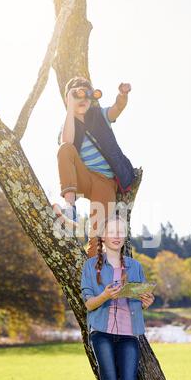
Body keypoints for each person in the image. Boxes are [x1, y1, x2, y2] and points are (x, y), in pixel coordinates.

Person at [80, 213, 155, 380]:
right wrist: (105, 295)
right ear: (103, 236)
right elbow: (88, 303)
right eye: (112, 232)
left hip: (128, 334)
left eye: (120, 232)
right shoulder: (90, 267)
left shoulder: (135, 266)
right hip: (101, 333)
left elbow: (141, 298)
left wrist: (146, 300)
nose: (116, 236)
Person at [53, 76, 132, 258]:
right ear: (68, 99)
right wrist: (71, 109)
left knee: (98, 239)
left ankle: (94, 278)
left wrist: (122, 94)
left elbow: (117, 108)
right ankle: (69, 208)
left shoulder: (99, 116)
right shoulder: (67, 125)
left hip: (104, 182)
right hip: (83, 178)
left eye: (86, 96)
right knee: (65, 149)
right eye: (77, 95)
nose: (83, 100)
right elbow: (67, 142)